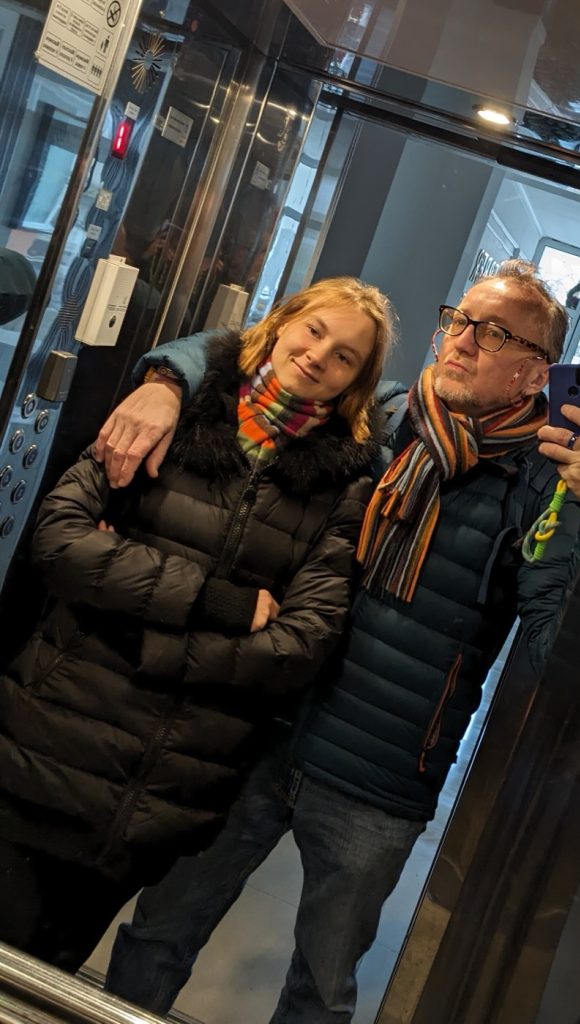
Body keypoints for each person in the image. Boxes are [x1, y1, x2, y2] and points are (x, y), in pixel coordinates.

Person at [99, 261, 580, 1023]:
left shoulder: (543, 487)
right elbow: (250, 359)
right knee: (160, 928)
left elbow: (561, 653)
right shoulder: (383, 417)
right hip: (260, 728)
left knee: (319, 992)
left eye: (491, 333)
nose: (460, 341)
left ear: (533, 371)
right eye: (458, 320)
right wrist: (163, 380)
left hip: (380, 778)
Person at [0, 276, 396, 973]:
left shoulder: (346, 485)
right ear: (281, 323)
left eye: (345, 357)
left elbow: (299, 643)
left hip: (161, 794)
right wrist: (219, 604)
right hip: (44, 747)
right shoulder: (172, 412)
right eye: (314, 330)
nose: (318, 356)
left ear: (355, 384)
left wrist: (132, 631)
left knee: (47, 982)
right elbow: (60, 541)